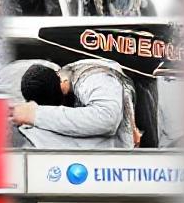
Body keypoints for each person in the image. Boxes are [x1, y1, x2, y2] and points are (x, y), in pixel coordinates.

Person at [12, 59, 140, 149]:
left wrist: (37, 115)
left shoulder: (94, 78)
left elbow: (107, 118)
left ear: (62, 80)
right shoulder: (67, 79)